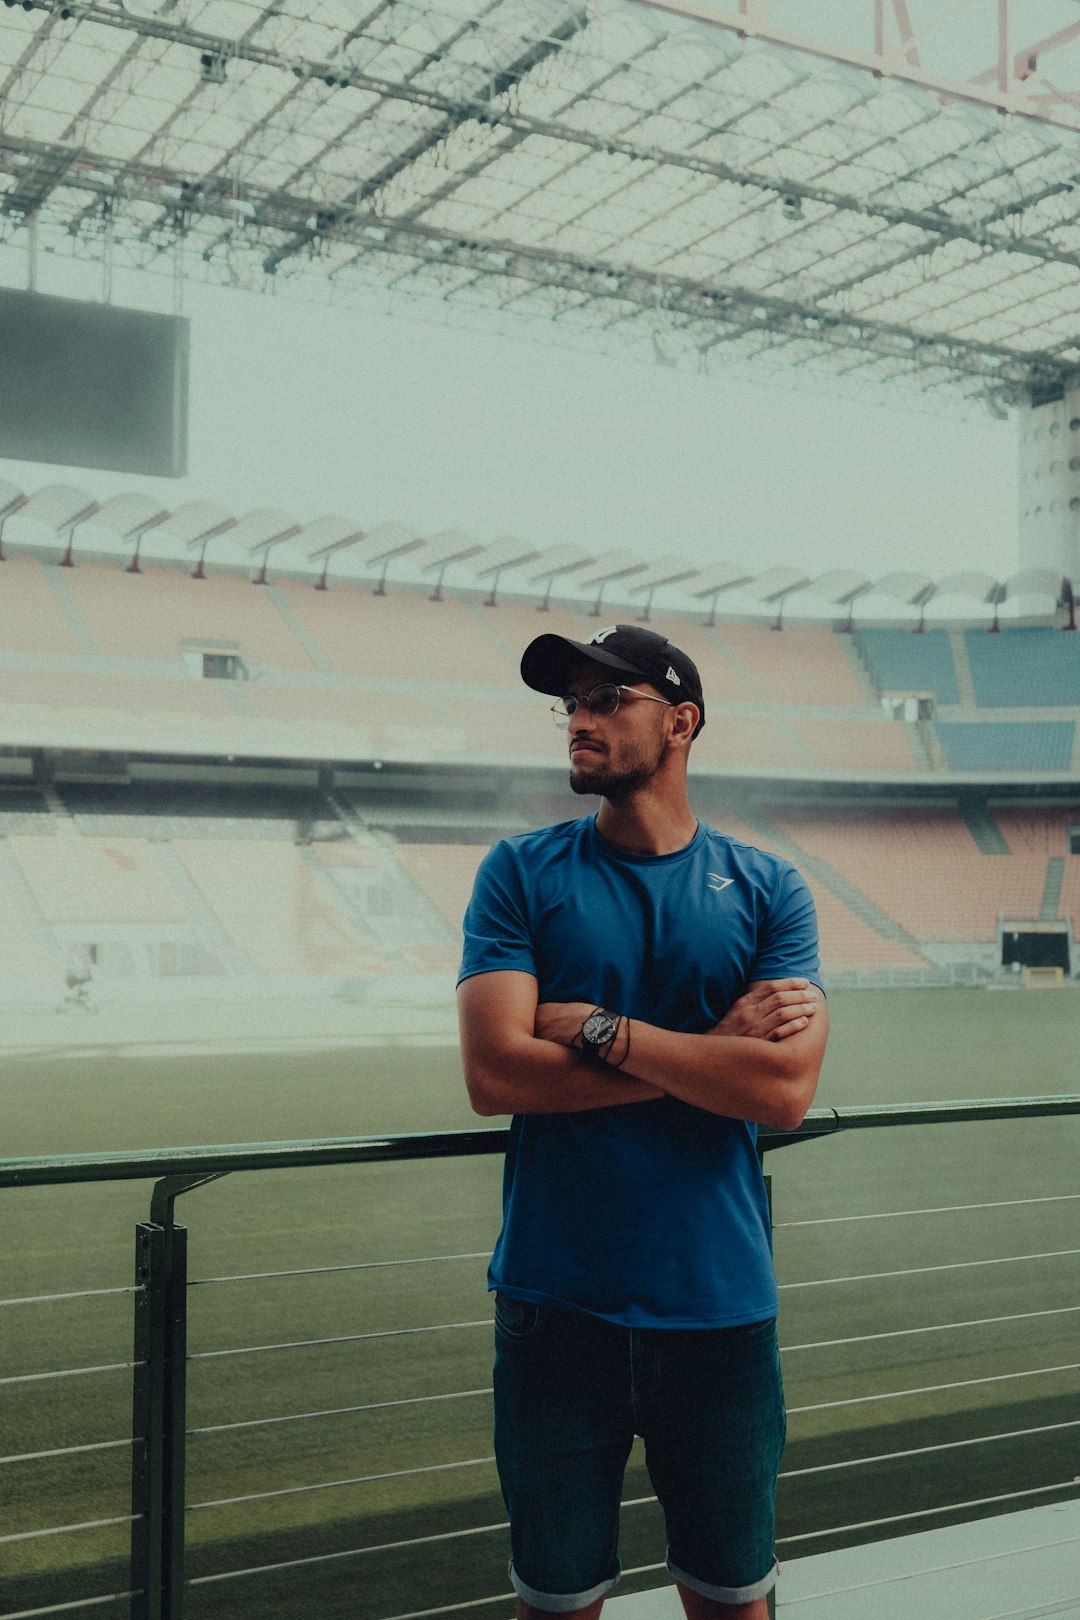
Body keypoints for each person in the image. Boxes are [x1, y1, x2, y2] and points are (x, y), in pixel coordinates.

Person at [457, 623, 828, 1620]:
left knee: (731, 1600)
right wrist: (711, 1050)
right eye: (570, 704)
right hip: (553, 1309)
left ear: (682, 722)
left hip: (719, 1309)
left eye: (608, 701)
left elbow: (784, 1090)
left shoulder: (769, 888)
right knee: (557, 1605)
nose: (579, 719)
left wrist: (605, 1034)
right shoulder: (520, 872)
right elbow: (496, 1073)